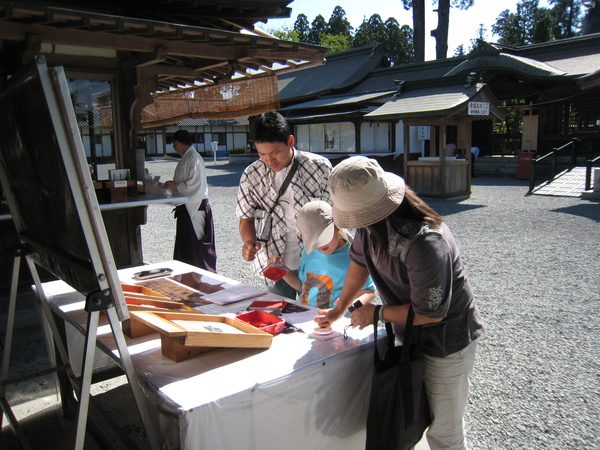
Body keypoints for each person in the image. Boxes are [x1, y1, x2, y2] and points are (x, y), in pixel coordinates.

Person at [316, 156, 485, 450]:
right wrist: (340, 307)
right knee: (411, 420)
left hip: (447, 342)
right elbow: (359, 264)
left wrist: (376, 313)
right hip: (411, 337)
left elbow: (430, 313)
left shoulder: (425, 241)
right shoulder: (372, 227)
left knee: (444, 433)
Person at [236, 112, 332, 299]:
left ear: (290, 141)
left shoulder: (320, 168)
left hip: (316, 259)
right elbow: (246, 218)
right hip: (273, 260)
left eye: (275, 153)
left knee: (317, 314)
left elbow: (334, 218)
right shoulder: (251, 175)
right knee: (281, 313)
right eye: (262, 154)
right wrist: (248, 242)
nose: (269, 160)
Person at [271, 200, 376, 309]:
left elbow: (369, 291)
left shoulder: (355, 256)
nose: (320, 246)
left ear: (337, 226)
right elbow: (303, 286)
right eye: (314, 241)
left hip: (337, 321)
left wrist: (351, 303)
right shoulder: (309, 253)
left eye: (323, 238)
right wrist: (283, 271)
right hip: (304, 315)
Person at [165, 130, 217, 273]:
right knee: (187, 245)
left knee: (196, 245)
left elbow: (195, 185)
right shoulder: (188, 157)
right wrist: (175, 187)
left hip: (194, 207)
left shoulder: (194, 158)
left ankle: (200, 274)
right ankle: (188, 274)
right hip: (188, 206)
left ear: (177, 143)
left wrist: (177, 186)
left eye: (174, 144)